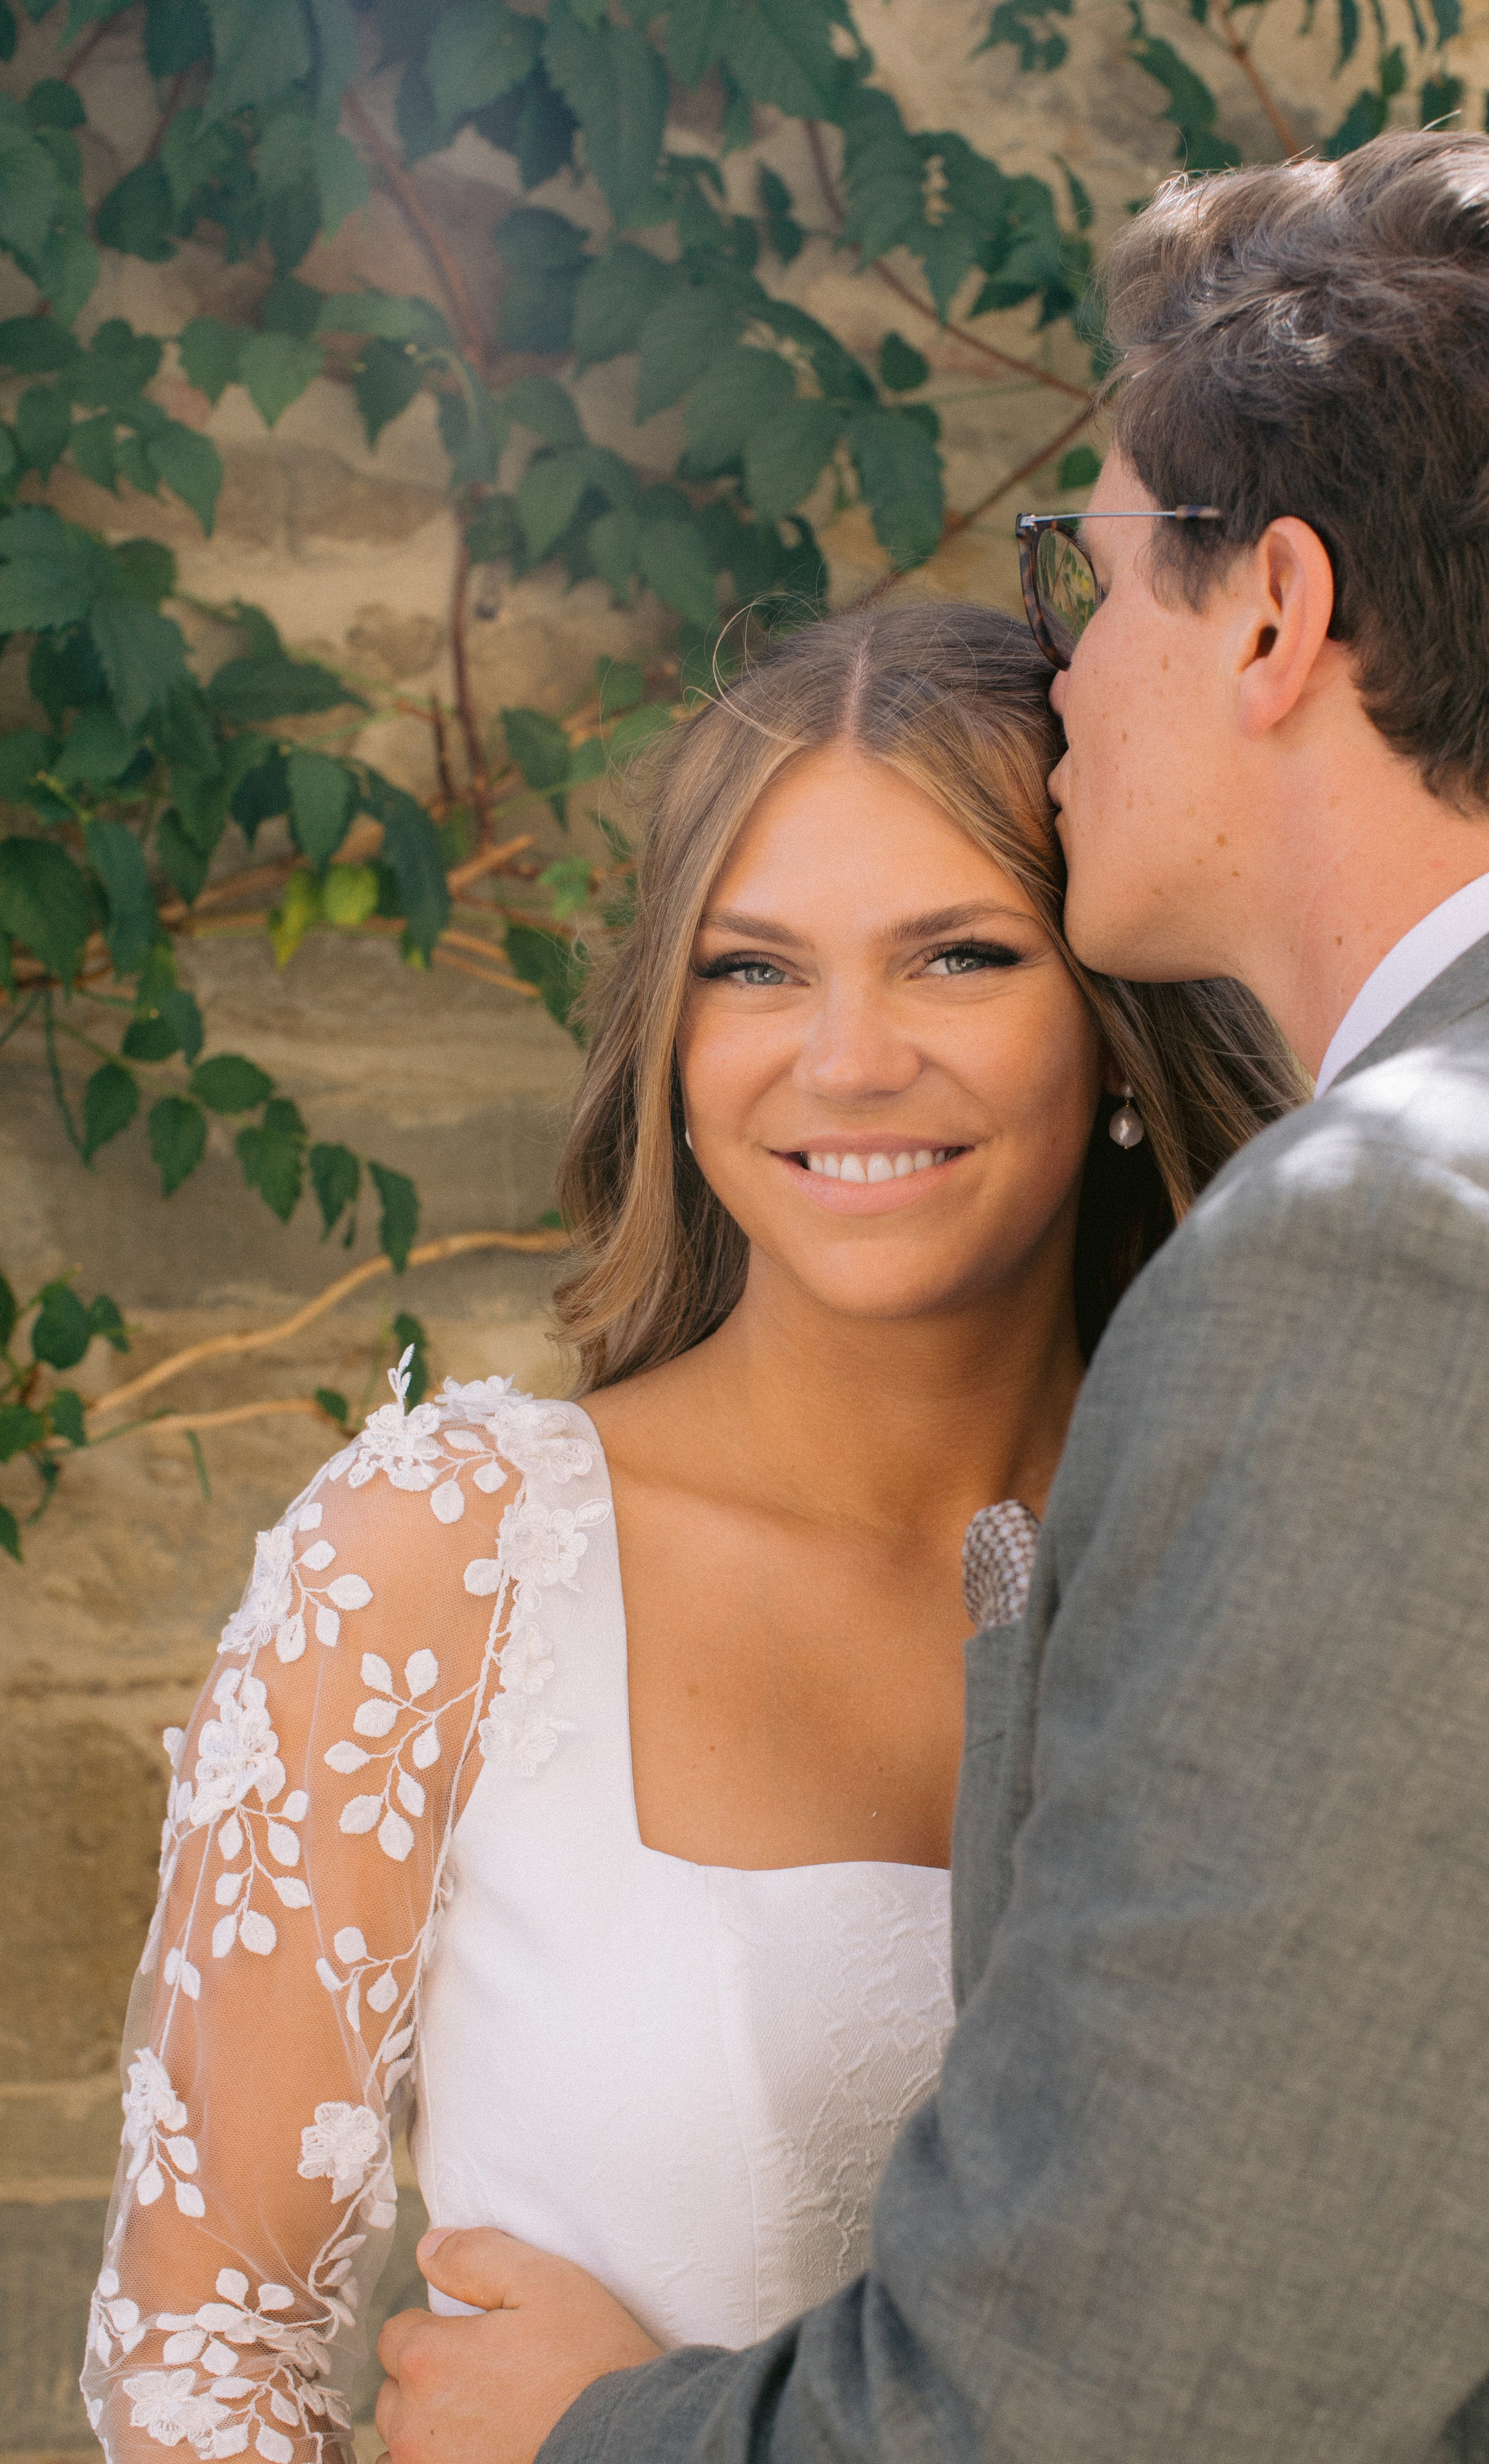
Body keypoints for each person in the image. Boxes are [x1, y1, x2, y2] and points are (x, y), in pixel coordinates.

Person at [367, 129, 1489, 2463]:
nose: (1069, 674)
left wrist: (584, 2435)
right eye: (757, 966)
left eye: (1098, 578)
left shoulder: (1422, 1248)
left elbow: (1118, 2406)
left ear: (1267, 613)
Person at [81, 600, 1298, 2461]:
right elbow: (208, 2360)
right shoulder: (445, 1560)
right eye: (753, 970)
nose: (848, 1058)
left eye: (959, 956)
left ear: (1121, 1022)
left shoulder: (1280, 1557)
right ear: (671, 1027)